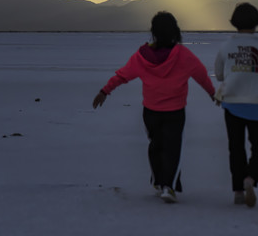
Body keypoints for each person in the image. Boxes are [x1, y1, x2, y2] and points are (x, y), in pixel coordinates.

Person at [92, 11, 215, 203]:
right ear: (175, 31)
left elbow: (122, 76)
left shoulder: (142, 57)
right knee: (171, 148)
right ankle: (168, 186)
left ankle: (160, 182)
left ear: (153, 32)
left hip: (151, 112)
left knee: (156, 146)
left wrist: (104, 91)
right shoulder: (183, 55)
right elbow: (202, 76)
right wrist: (212, 93)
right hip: (175, 111)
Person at [214, 3, 258, 207]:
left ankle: (238, 192)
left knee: (236, 148)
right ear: (257, 22)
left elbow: (219, 75)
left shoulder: (225, 47)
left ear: (234, 23)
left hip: (233, 104)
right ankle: (251, 178)